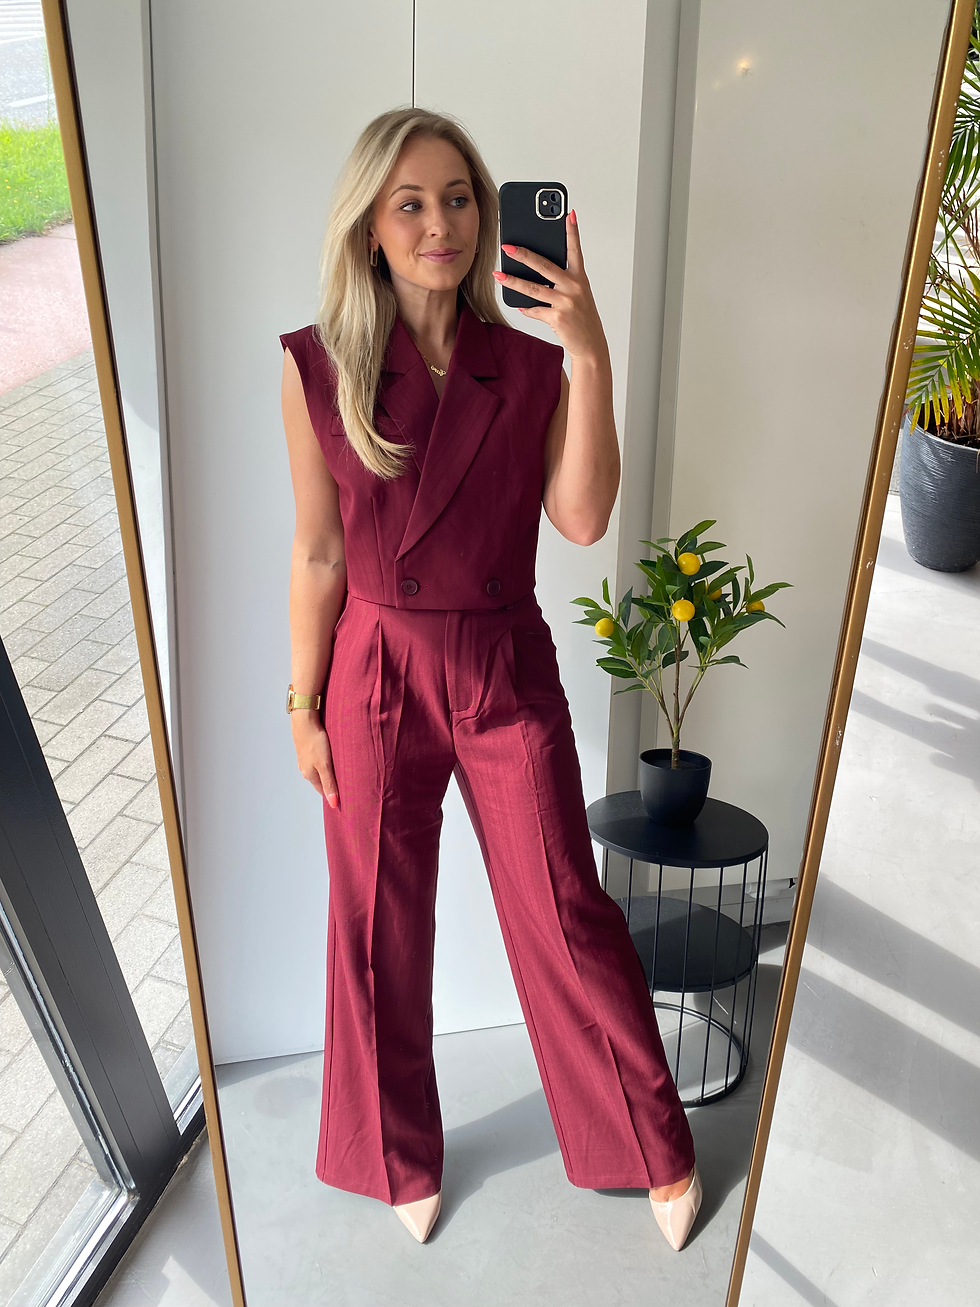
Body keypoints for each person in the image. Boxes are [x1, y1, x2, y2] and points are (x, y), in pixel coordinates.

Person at [279, 107, 701, 1251]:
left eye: (459, 197)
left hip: (502, 661)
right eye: (411, 203)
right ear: (370, 226)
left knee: (563, 903)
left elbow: (582, 516)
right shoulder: (318, 366)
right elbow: (317, 552)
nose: (440, 224)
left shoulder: (527, 364)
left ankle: (644, 1139)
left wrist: (589, 350)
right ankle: (391, 1151)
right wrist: (302, 703)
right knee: (373, 915)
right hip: (371, 665)